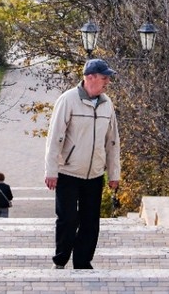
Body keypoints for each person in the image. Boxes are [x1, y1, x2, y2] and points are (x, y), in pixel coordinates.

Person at [44, 58, 121, 270]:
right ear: (90, 77)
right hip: (68, 172)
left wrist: (114, 174)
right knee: (68, 220)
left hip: (94, 174)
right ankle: (60, 259)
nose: (107, 82)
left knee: (90, 222)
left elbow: (112, 141)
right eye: (104, 77)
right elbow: (55, 137)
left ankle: (83, 262)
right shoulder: (67, 100)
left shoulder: (107, 104)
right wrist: (51, 170)